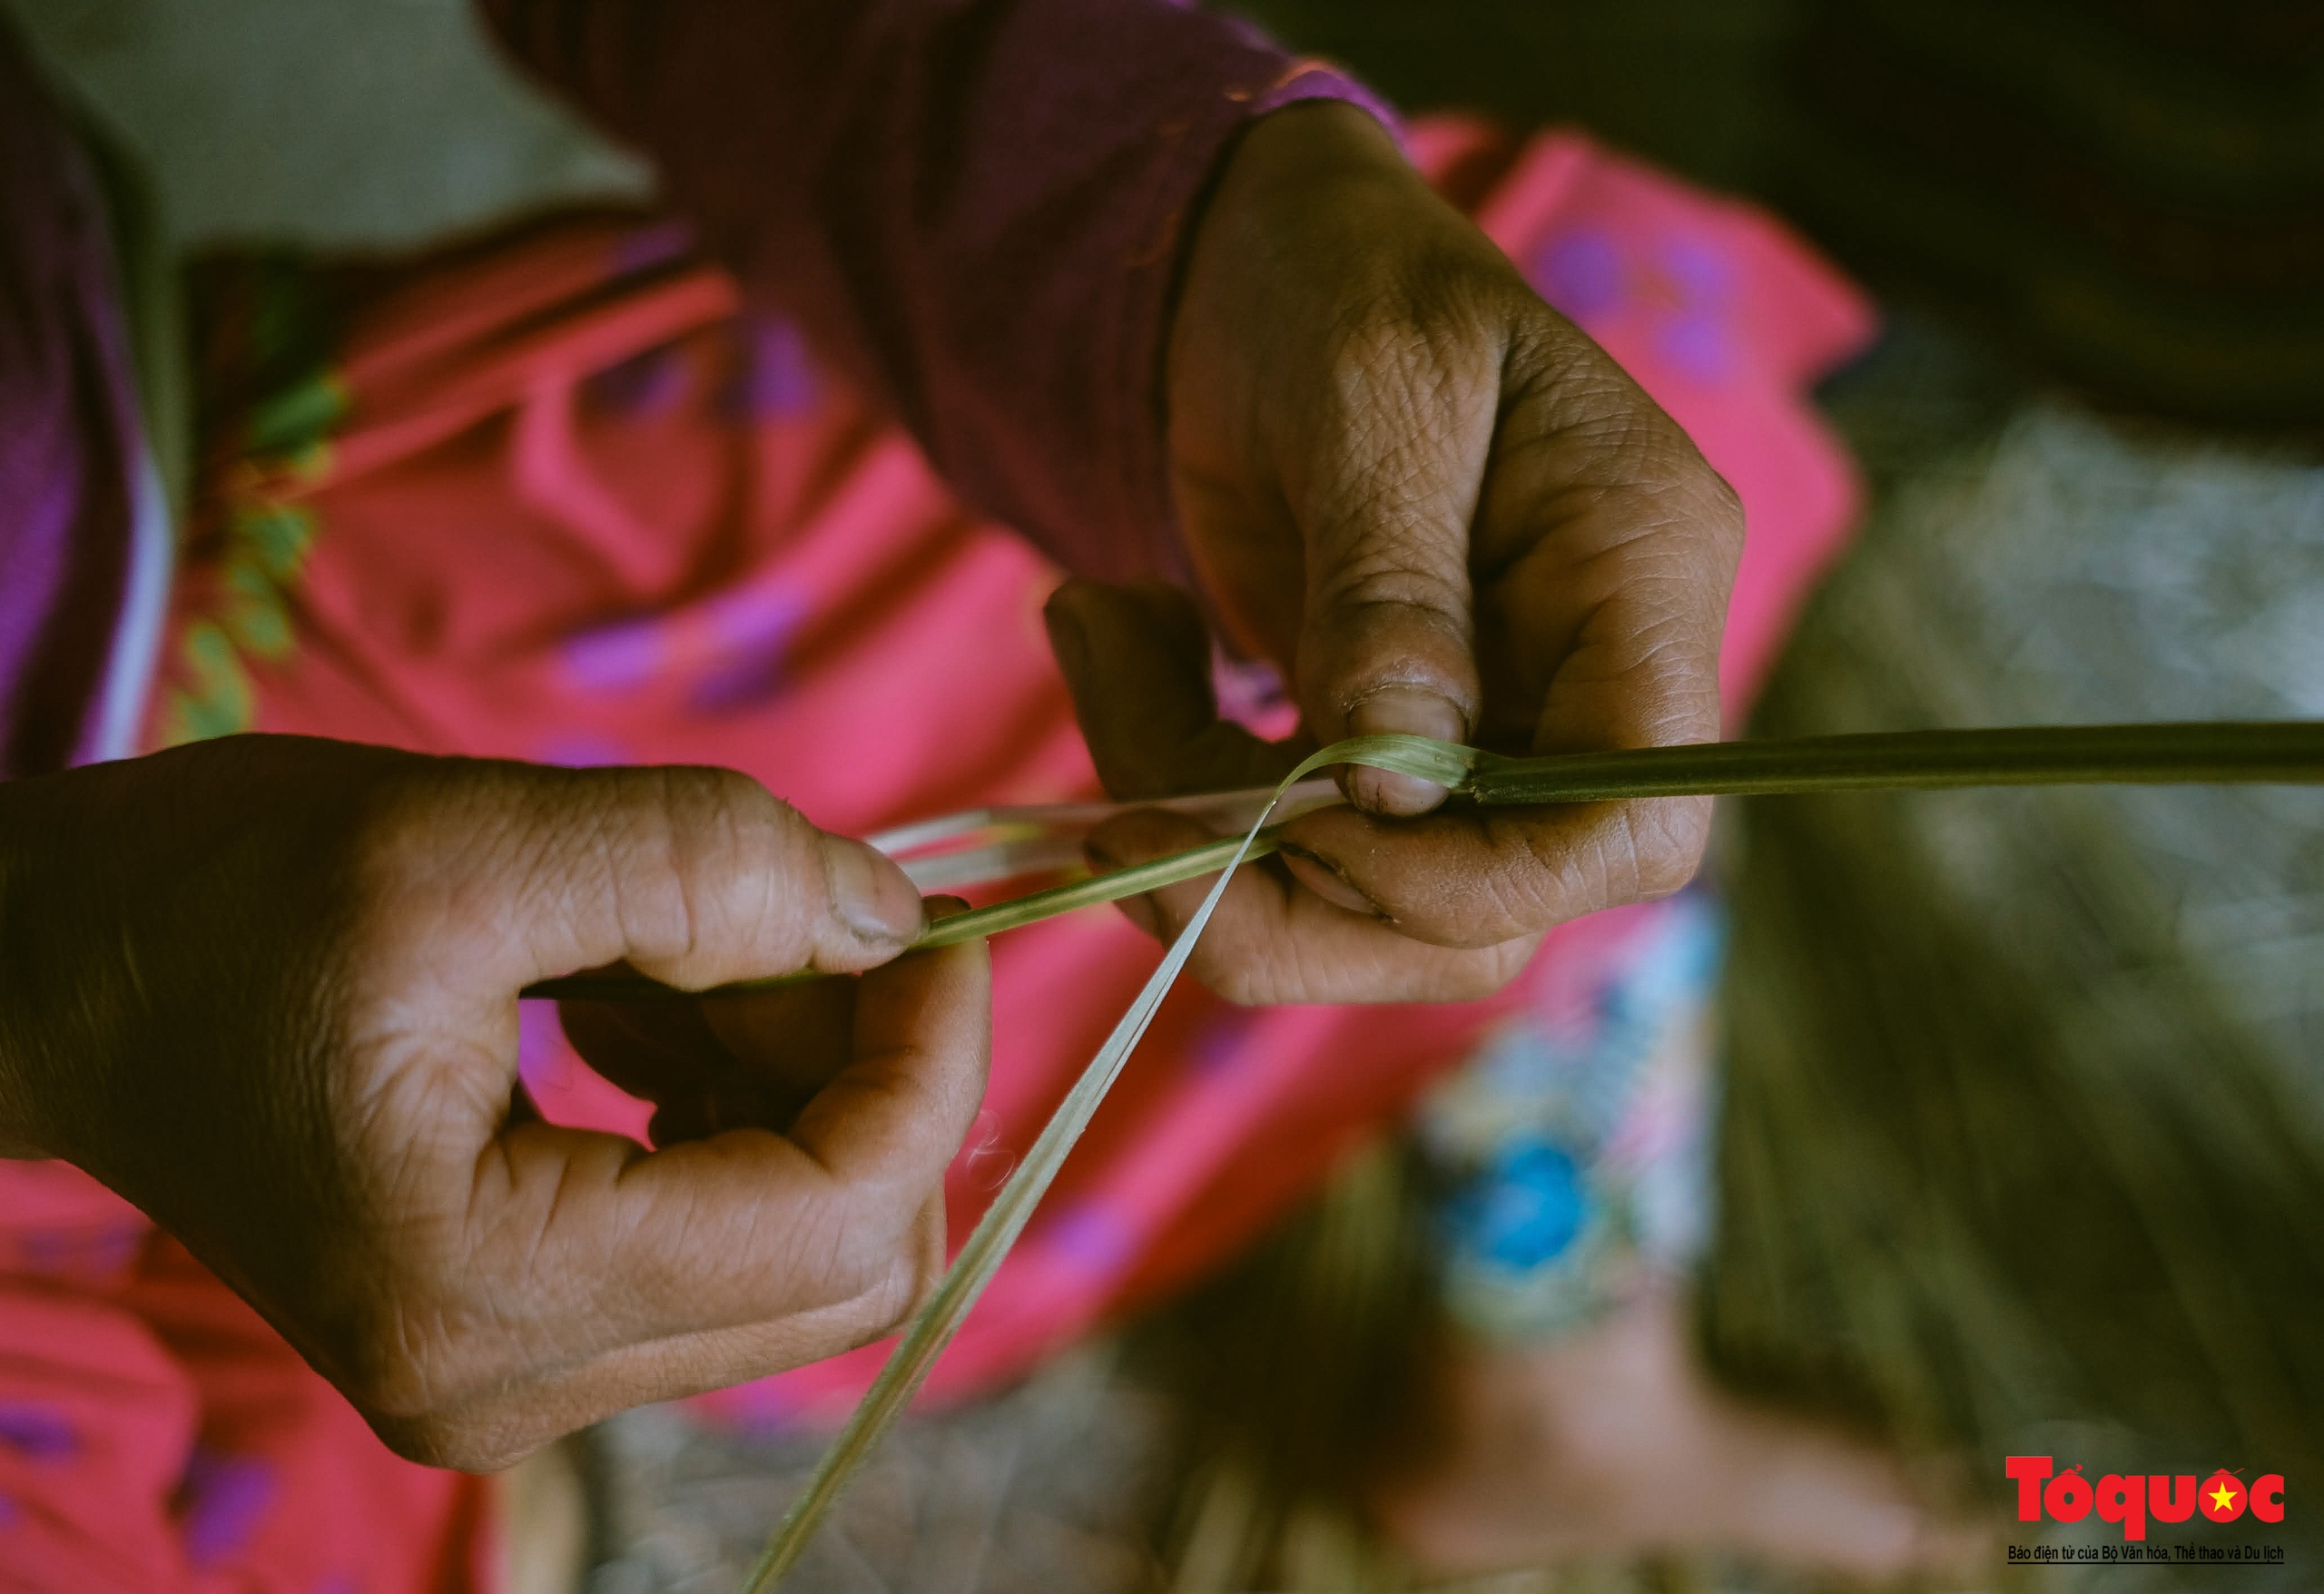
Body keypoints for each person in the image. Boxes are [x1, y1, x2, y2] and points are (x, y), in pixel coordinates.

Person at [0, 1, 1883, 1585]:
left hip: (263, 559)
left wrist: (1186, 228)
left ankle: (1565, 1352)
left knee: (1559, 443)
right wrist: (65, 991)